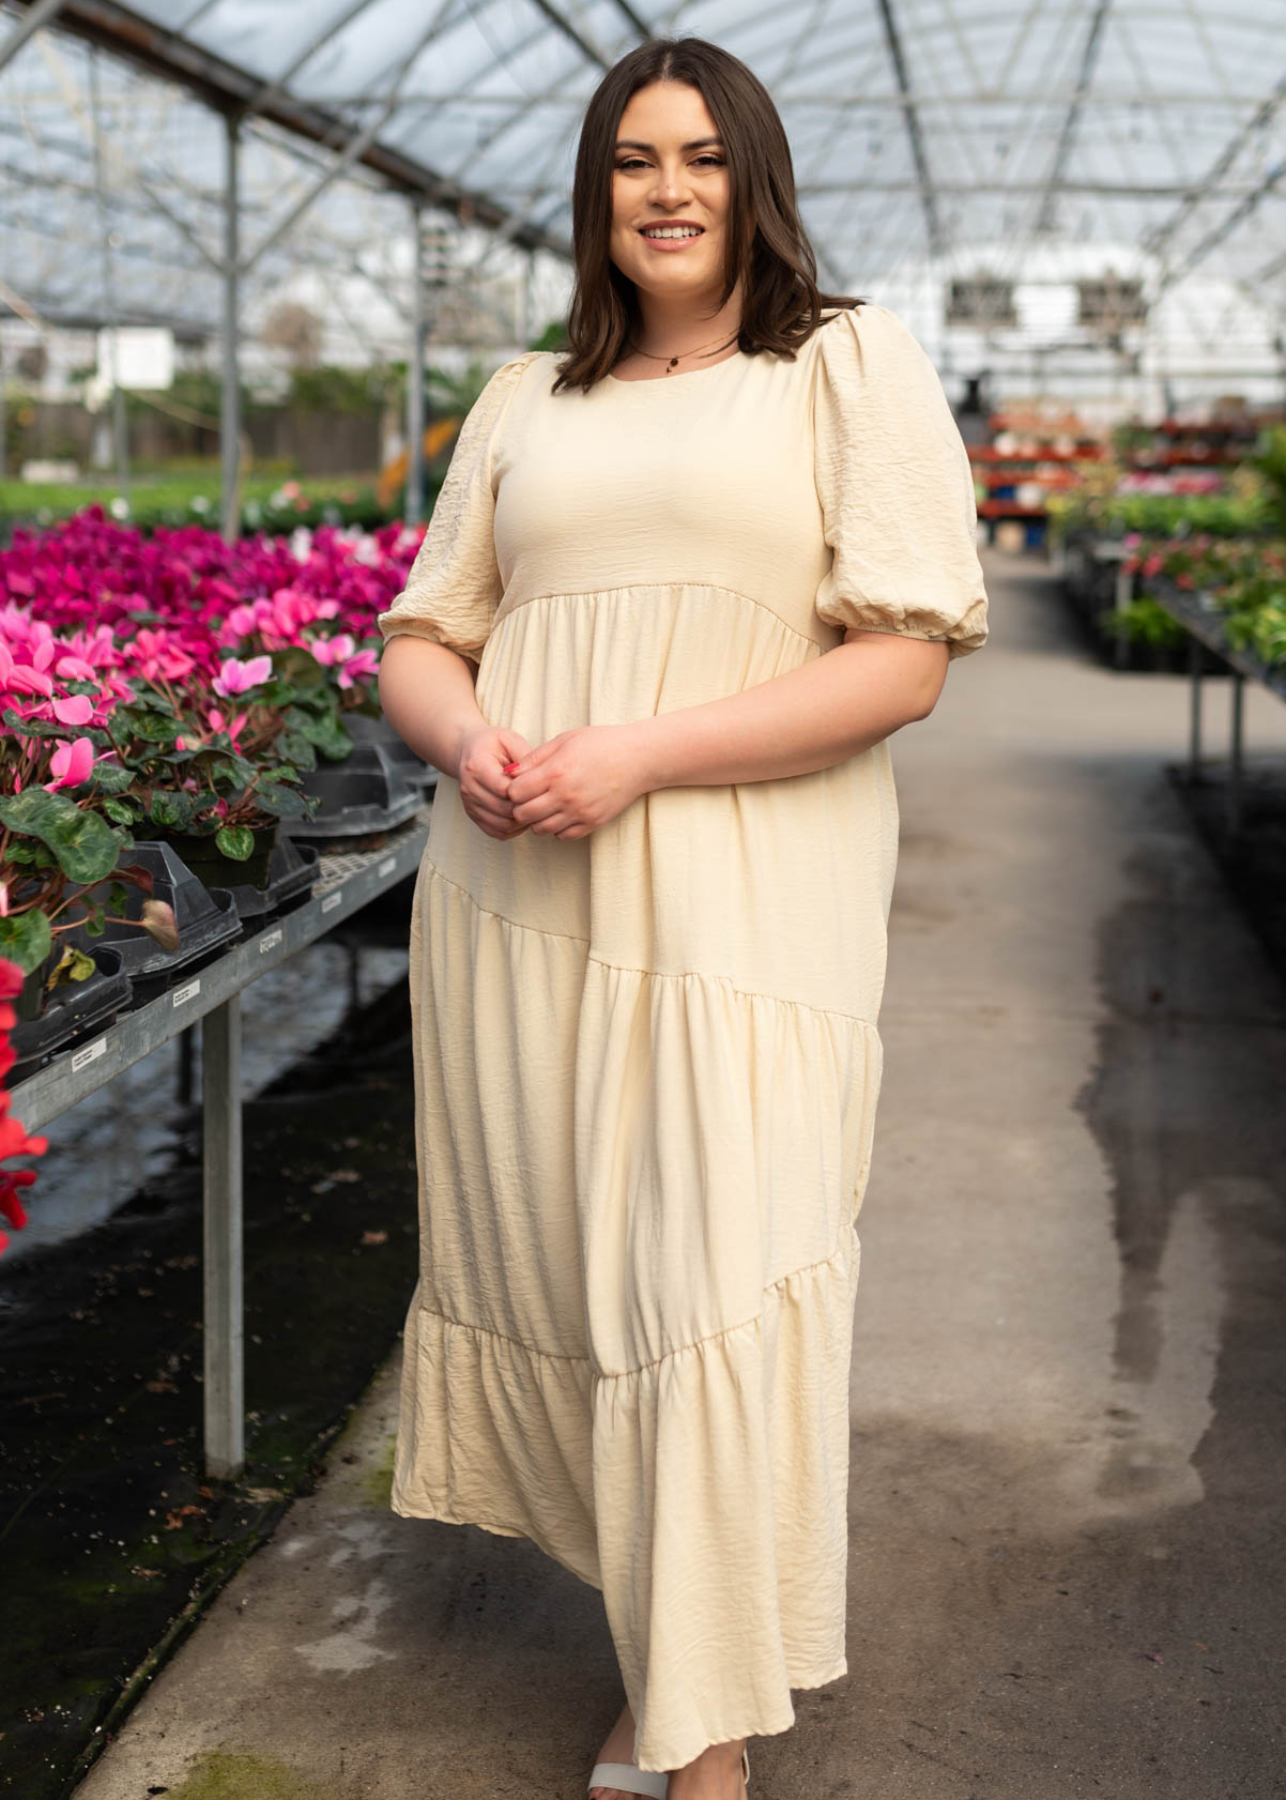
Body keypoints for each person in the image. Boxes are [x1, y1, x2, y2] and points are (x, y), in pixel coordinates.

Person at [377, 35, 988, 1800]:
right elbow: (423, 635)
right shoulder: (524, 398)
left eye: (701, 157)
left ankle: (700, 1738)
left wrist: (639, 753)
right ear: (596, 191)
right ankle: (674, 1660)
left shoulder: (842, 368)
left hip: (741, 908)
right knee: (579, 1279)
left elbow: (902, 663)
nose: (665, 189)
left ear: (754, 181)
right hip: (518, 893)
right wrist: (472, 737)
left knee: (711, 1281)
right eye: (633, 158)